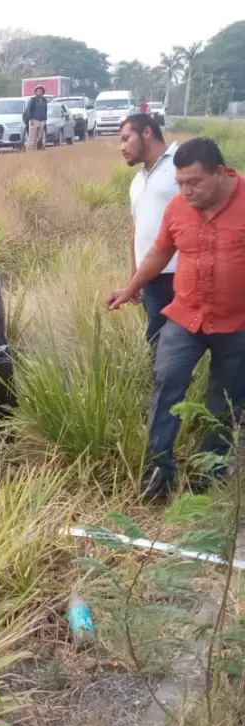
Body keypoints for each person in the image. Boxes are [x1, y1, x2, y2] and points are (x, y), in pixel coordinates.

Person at [106, 138, 245, 501]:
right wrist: (129, 288)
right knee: (166, 387)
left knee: (225, 401)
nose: (186, 191)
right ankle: (159, 473)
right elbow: (159, 252)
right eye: (181, 183)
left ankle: (210, 473)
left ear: (221, 172)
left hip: (238, 324)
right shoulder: (178, 207)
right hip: (186, 319)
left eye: (194, 182)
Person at [120, 113, 179, 350]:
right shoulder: (137, 180)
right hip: (152, 278)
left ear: (147, 132)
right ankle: (165, 387)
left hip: (181, 272)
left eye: (126, 139)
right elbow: (137, 230)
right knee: (158, 340)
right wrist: (134, 279)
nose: (121, 147)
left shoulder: (181, 164)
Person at [24, 86, 49, 151]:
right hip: (34, 120)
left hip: (42, 120)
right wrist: (30, 119)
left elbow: (45, 110)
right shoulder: (32, 100)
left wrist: (45, 119)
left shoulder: (44, 100)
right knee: (32, 136)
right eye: (38, 91)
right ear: (35, 92)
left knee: (40, 136)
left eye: (41, 91)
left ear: (43, 92)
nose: (39, 92)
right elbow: (28, 110)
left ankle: (38, 148)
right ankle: (30, 149)